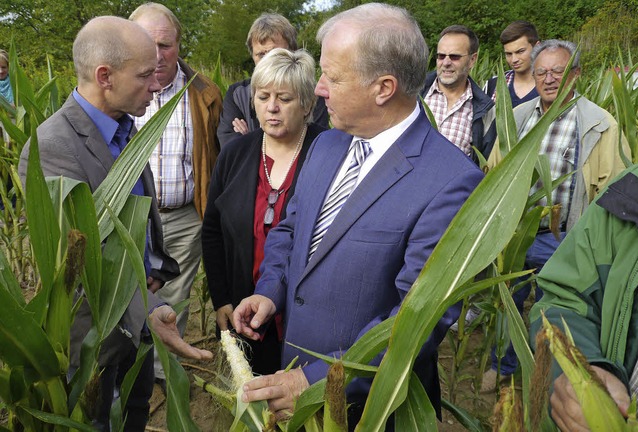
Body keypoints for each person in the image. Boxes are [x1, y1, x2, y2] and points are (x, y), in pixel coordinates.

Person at [232, 3, 484, 427]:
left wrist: (318, 382)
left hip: (363, 404)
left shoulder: (451, 182)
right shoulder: (328, 144)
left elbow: (415, 320)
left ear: (383, 87)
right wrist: (270, 289)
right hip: (293, 372)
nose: (320, 88)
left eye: (332, 76)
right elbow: (293, 228)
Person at [17, 16, 213, 431]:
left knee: (136, 410)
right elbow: (88, 264)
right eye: (144, 75)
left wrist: (153, 285)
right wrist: (152, 309)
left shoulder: (125, 128)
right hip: (95, 334)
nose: (156, 85)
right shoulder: (52, 151)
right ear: (104, 76)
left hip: (136, 319)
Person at [484, 39, 628, 392]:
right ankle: (500, 365)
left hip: (564, 238)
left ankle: (554, 378)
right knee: (507, 301)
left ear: (576, 74)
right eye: (542, 72)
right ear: (533, 76)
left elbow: (613, 188)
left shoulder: (600, 124)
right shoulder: (516, 118)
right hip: (517, 235)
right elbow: (494, 171)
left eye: (559, 71)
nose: (550, 79)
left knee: (557, 309)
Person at [202, 48, 325, 375]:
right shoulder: (234, 154)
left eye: (284, 98)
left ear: (307, 104)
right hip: (244, 308)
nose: (271, 107)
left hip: (306, 314)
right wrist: (222, 300)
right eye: (262, 96)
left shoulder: (326, 154)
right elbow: (213, 230)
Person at [129, 2, 222, 388]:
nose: (157, 54)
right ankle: (128, 363)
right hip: (132, 212)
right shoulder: (120, 86)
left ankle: (160, 372)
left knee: (175, 295)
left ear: (179, 44)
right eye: (147, 44)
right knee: (130, 289)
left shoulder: (204, 92)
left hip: (184, 213)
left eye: (165, 44)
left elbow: (215, 153)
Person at [529, 163, 638, 431]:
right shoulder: (631, 189)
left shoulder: (601, 126)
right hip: (533, 234)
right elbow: (566, 295)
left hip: (559, 231)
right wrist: (584, 369)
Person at [216, 12, 328, 147]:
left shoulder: (313, 92)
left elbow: (316, 144)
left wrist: (247, 140)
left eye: (275, 53)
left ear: (292, 51)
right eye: (261, 55)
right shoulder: (237, 94)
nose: (268, 60)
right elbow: (230, 148)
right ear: (252, 56)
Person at [421, 25, 495, 163]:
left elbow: (484, 167)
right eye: (441, 56)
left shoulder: (484, 112)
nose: (446, 63)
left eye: (454, 57)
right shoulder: (413, 94)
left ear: (472, 60)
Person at [484, 21, 540, 106]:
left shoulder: (550, 86)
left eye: (520, 51)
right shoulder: (493, 86)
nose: (514, 60)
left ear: (537, 47)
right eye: (509, 54)